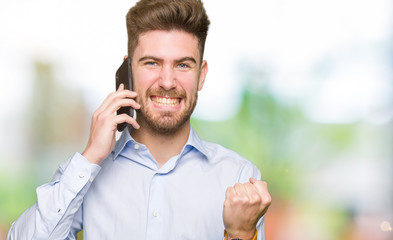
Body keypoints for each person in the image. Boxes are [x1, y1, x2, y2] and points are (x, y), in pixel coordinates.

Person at [7, 0, 271, 239]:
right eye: (152, 63)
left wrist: (241, 233)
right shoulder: (84, 172)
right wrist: (89, 159)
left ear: (201, 74)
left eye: (182, 65)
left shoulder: (238, 176)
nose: (168, 82)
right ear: (128, 69)